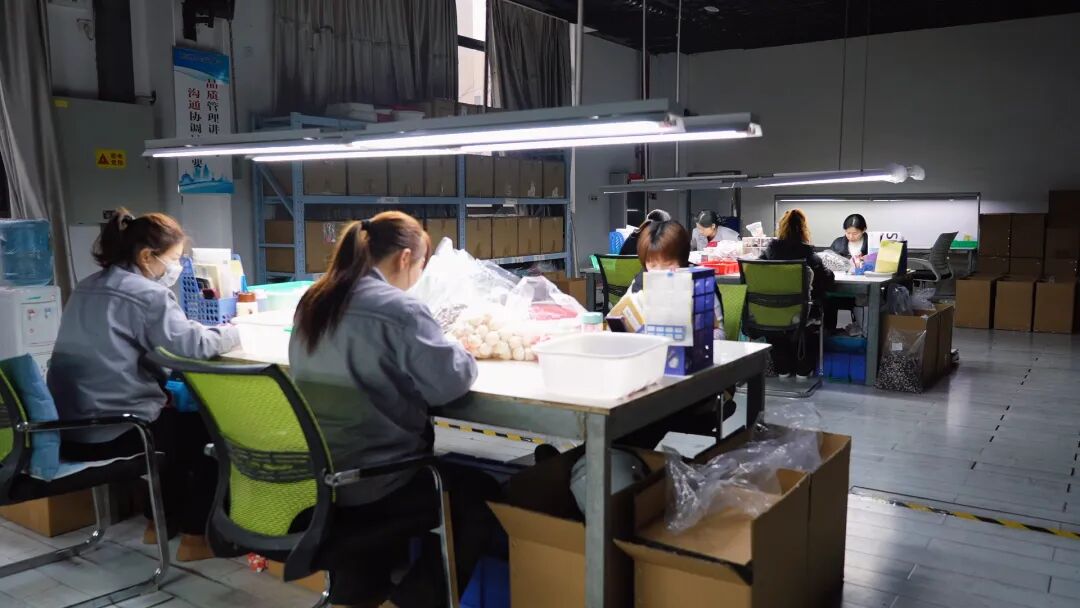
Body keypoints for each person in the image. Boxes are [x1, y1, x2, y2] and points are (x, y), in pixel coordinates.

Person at [289, 212, 498, 608]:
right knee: (479, 493)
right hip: (377, 480)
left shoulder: (314, 301)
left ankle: (356, 594)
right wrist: (459, 348)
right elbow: (450, 383)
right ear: (405, 258)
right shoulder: (399, 309)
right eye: (420, 266)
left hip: (320, 477)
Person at [49, 207, 239, 562]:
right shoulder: (147, 294)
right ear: (147, 256)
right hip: (116, 430)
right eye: (175, 259)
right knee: (209, 437)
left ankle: (158, 526)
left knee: (176, 425)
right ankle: (196, 539)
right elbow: (193, 346)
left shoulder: (88, 286)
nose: (176, 267)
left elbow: (123, 347)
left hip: (70, 427)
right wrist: (237, 331)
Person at [759, 209, 835, 379]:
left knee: (779, 320)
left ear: (781, 228)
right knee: (819, 307)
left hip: (771, 313)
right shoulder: (808, 255)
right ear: (804, 230)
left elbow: (755, 273)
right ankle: (803, 370)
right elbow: (826, 280)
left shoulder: (769, 252)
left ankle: (783, 369)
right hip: (801, 313)